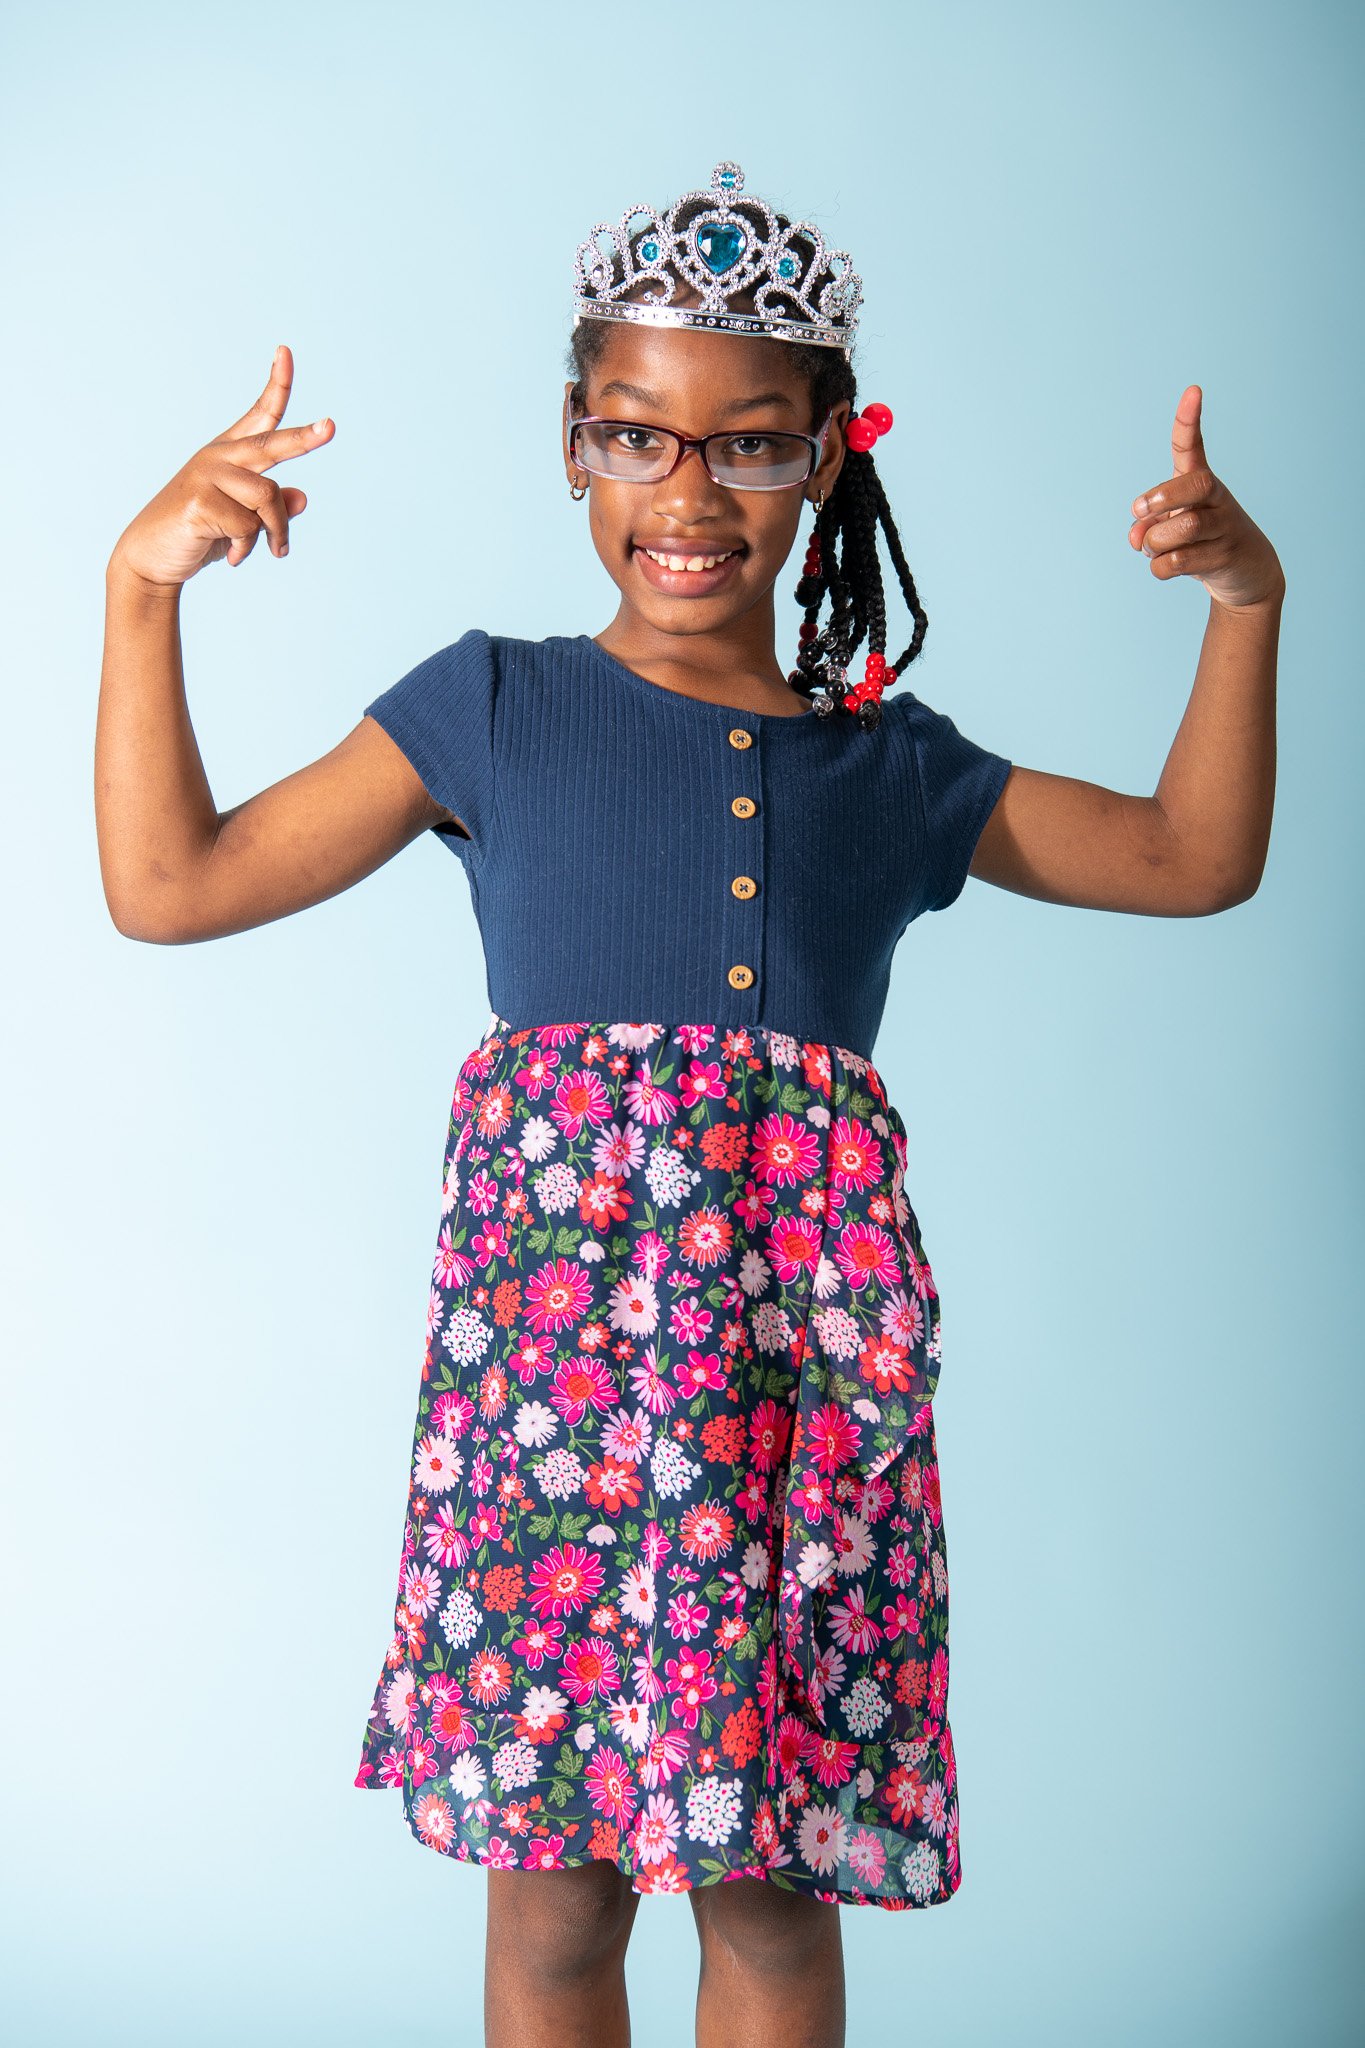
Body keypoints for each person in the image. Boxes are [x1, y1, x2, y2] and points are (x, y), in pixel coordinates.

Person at [95, 160, 1284, 2048]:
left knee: (769, 1896)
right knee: (554, 1903)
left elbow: (1189, 856)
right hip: (554, 1400)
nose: (687, 493)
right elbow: (170, 887)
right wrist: (137, 590)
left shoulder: (885, 767)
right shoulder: (484, 708)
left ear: (827, 459)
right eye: (636, 439)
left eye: (746, 446)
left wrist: (1244, 604)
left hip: (799, 1399)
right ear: (576, 452)